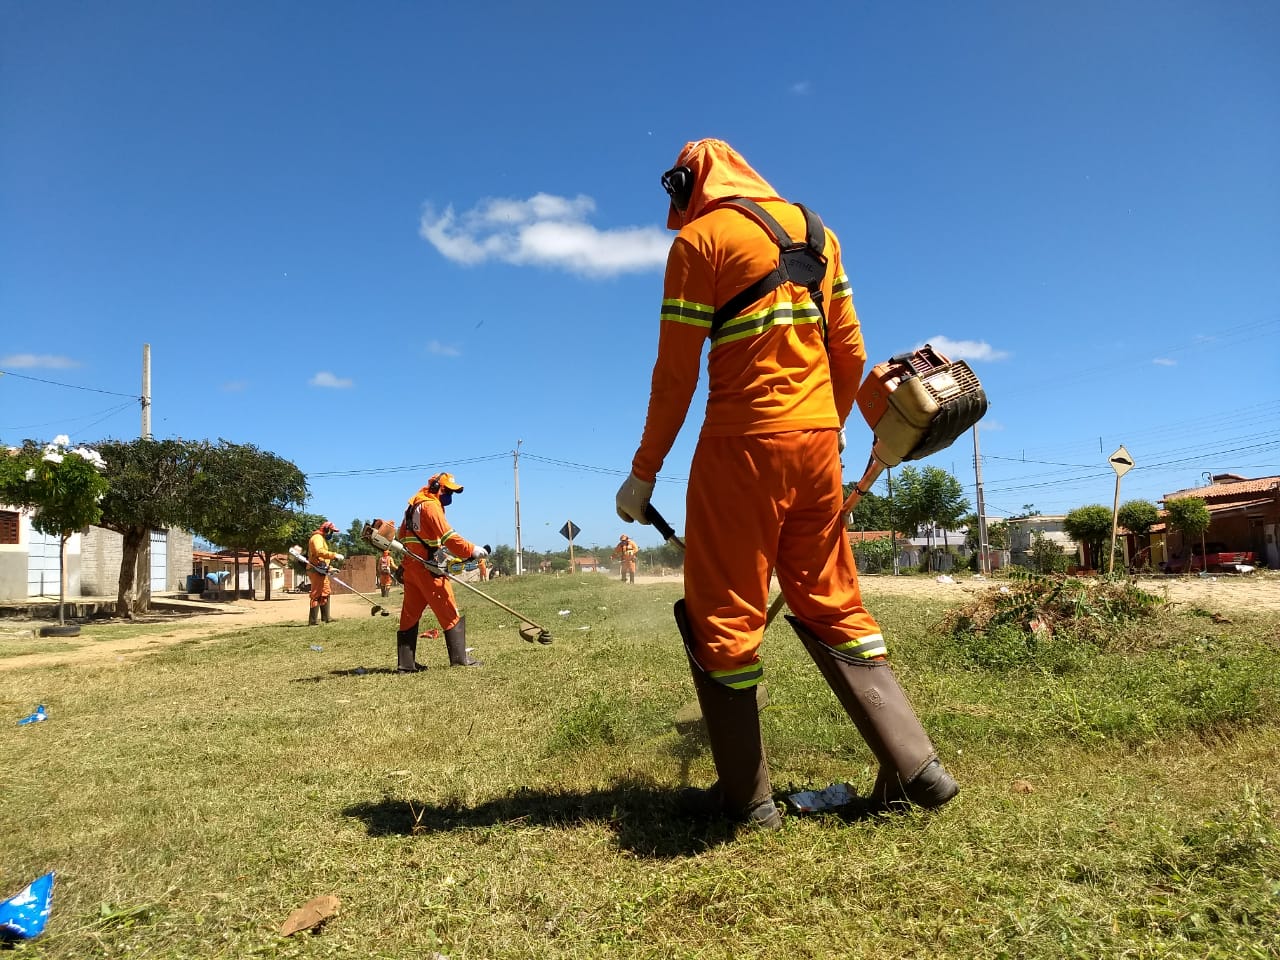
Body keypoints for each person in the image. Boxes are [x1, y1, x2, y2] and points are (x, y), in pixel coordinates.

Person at [615, 139, 959, 831]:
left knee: (726, 616)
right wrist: (822, 434)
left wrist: (643, 472)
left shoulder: (702, 243)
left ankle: (748, 801)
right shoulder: (819, 233)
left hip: (740, 449)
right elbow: (852, 350)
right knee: (834, 604)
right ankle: (917, 766)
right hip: (816, 449)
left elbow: (675, 374)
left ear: (687, 183)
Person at [395, 471, 489, 671]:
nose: (450, 497)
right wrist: (472, 549)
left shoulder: (413, 506)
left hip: (412, 566)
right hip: (428, 568)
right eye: (448, 491)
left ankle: (406, 664)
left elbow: (402, 535)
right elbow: (449, 536)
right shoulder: (430, 506)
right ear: (437, 488)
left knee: (410, 614)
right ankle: (460, 659)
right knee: (448, 608)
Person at [306, 520, 344, 626]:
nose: (331, 534)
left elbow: (322, 558)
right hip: (315, 569)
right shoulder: (317, 538)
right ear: (326, 530)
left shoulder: (321, 538)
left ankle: (326, 618)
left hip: (321, 569)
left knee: (325, 592)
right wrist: (334, 555)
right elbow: (319, 551)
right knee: (316, 594)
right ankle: (313, 621)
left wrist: (330, 568)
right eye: (331, 532)